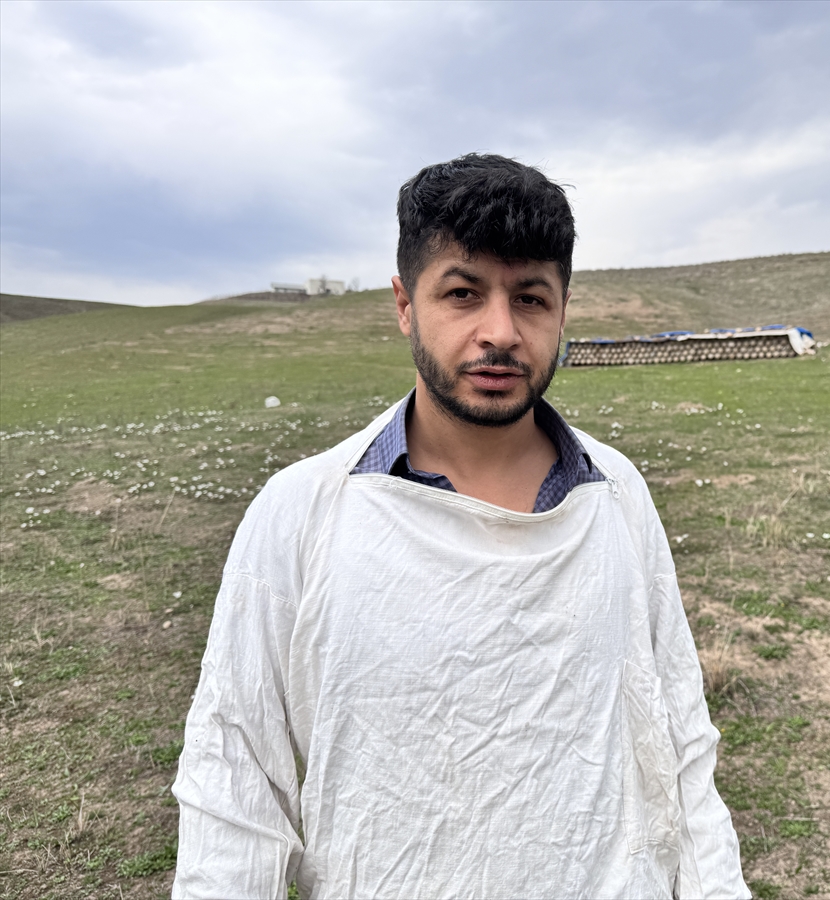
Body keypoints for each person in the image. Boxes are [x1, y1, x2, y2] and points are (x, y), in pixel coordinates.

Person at [171, 154, 749, 899]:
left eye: (531, 298)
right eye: (463, 293)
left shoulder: (616, 494)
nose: (500, 332)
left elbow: (679, 735)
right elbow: (234, 780)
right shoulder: (301, 511)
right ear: (405, 305)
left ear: (563, 311)